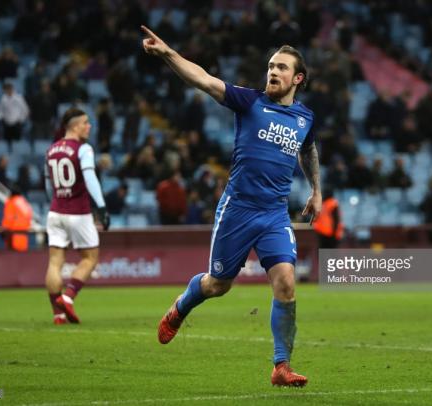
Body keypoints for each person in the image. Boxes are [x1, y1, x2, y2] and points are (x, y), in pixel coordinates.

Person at [142, 25, 321, 387]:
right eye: (271, 65)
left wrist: (316, 189)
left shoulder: (304, 118)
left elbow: (308, 150)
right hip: (238, 209)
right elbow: (204, 80)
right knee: (217, 285)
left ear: (297, 78)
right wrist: (168, 54)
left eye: (282, 67)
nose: (273, 71)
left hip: (274, 213)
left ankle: (281, 366)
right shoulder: (249, 101)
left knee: (286, 281)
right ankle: (180, 307)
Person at [44, 107, 110, 325]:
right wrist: (101, 207)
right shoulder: (83, 149)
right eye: (85, 122)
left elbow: (48, 185)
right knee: (90, 258)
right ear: (73, 126)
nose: (89, 126)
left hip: (55, 211)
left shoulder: (51, 150)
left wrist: (54, 202)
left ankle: (58, 314)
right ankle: (67, 298)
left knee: (55, 262)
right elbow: (90, 178)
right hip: (78, 212)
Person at [2, 185, 33, 252]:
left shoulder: (11, 202)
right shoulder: (24, 202)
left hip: (13, 237)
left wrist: (4, 230)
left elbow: (8, 219)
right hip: (23, 237)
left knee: (12, 259)